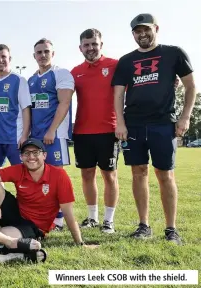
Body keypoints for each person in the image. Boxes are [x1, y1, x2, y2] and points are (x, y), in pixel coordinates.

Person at [112, 13, 196, 244]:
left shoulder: (173, 53)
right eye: (137, 31)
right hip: (134, 124)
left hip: (163, 123)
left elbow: (190, 86)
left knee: (165, 174)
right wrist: (120, 122)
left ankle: (171, 229)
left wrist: (185, 117)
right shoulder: (126, 61)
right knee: (138, 173)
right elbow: (118, 94)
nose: (142, 34)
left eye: (146, 29)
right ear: (133, 34)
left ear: (156, 28)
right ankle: (143, 226)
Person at [0, 139, 88, 247]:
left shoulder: (59, 175)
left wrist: (79, 242)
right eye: (26, 153)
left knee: (0, 238)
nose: (31, 157)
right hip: (17, 214)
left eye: (36, 152)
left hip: (35, 227)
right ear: (21, 157)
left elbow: (68, 213)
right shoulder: (19, 169)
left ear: (44, 155)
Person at [70, 29, 120, 233]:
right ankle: (92, 217)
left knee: (109, 175)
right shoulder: (75, 72)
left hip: (109, 130)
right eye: (86, 44)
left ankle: (109, 220)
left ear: (101, 44)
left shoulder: (115, 65)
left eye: (94, 44)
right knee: (87, 175)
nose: (90, 48)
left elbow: (138, 81)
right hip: (82, 131)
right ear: (80, 47)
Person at [27, 38, 75, 231]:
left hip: (54, 136)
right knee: (40, 178)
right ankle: (46, 217)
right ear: (34, 56)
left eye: (46, 51)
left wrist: (52, 130)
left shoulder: (61, 73)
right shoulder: (31, 79)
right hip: (36, 137)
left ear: (52, 53)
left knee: (57, 177)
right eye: (39, 52)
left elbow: (64, 103)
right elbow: (28, 109)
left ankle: (60, 220)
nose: (43, 55)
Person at [0, 44, 32, 170]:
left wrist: (24, 136)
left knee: (21, 174)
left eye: (3, 56)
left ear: (10, 58)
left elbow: (26, 109)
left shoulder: (19, 80)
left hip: (14, 138)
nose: (0, 60)